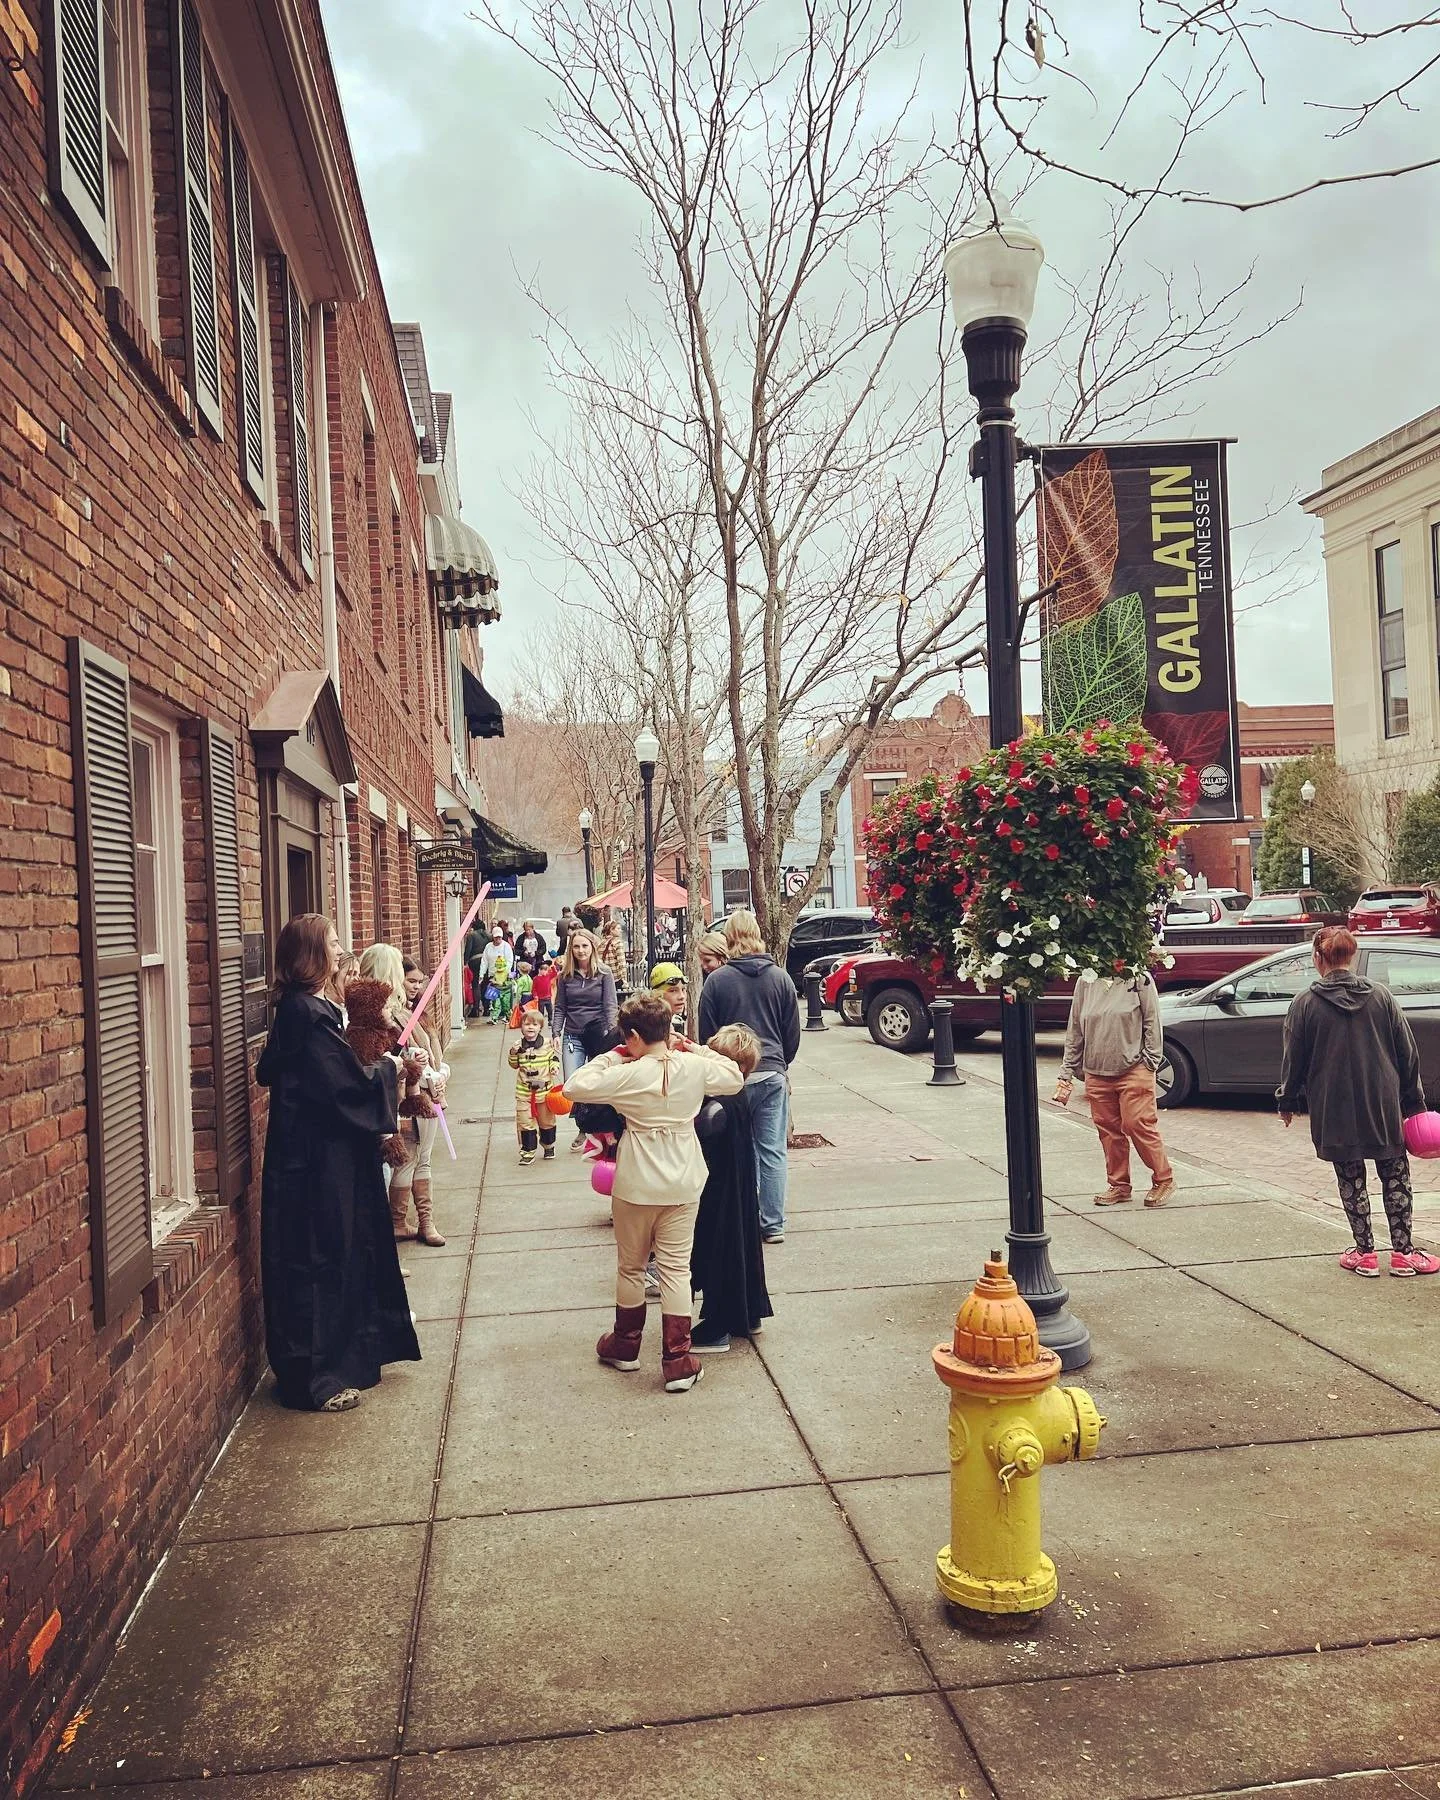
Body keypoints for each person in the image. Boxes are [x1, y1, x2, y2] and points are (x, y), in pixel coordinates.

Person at [256, 914, 421, 1413]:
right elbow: (343, 1087)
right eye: (331, 943)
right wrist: (390, 1069)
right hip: (313, 1167)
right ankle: (315, 1378)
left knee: (342, 1253)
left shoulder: (307, 1010)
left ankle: (346, 1357)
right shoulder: (305, 1014)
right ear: (310, 956)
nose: (340, 950)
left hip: (324, 1159)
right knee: (316, 1260)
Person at [566, 992, 744, 1392]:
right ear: (668, 1029)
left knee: (631, 1265)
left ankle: (626, 1345)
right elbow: (733, 1076)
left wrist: (612, 1057)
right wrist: (693, 1046)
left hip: (636, 1180)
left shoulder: (627, 1072)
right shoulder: (694, 1067)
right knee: (676, 1268)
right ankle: (678, 1359)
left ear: (632, 1035)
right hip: (683, 1178)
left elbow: (577, 1086)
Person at [1277, 925, 1439, 1277]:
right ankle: (1404, 1253)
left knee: (1351, 1178)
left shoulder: (1304, 1004)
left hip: (1332, 1106)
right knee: (1395, 1176)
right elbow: (1406, 1054)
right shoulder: (1381, 997)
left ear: (1318, 958)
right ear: (1352, 956)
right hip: (1382, 1102)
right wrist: (1414, 1103)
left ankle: (1364, 1253)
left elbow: (1294, 1058)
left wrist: (1287, 1099)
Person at [697, 910, 801, 1244]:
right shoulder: (780, 978)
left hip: (732, 1077)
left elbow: (706, 1034)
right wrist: (781, 1064)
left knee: (737, 1151)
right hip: (771, 1072)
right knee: (772, 1151)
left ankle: (742, 1220)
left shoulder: (717, 981)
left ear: (728, 938)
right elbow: (792, 1033)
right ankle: (773, 1223)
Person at [1053, 971, 1174, 1207]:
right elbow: (1076, 1027)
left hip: (1134, 1067)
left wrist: (1150, 1061)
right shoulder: (1085, 981)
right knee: (1108, 1131)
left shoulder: (1139, 978)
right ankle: (1119, 1186)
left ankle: (1164, 1179)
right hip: (1096, 1070)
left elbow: (1152, 1021)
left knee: (1137, 1122)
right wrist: (1067, 1070)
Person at [690, 1024, 773, 1352]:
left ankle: (719, 1323)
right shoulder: (734, 1095)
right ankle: (747, 1311)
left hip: (718, 1189)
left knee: (717, 1246)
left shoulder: (719, 1102)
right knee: (741, 1242)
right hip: (737, 1185)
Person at [387, 956, 449, 1246]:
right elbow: (396, 1061)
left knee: (423, 1159)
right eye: (410, 981)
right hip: (409, 1098)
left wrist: (441, 1072)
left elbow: (434, 1054)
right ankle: (398, 1221)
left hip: (430, 1096)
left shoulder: (417, 1015)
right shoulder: (391, 1018)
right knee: (406, 1161)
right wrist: (423, 1073)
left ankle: (426, 1221)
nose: (416, 986)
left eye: (419, 982)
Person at [553, 927, 619, 1147]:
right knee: (574, 1083)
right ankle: (584, 1125)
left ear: (592, 947)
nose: (581, 951)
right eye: (576, 946)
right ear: (570, 949)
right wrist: (556, 1032)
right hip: (573, 1035)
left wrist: (612, 1034)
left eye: (584, 946)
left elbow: (610, 1005)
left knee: (599, 1081)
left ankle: (594, 1127)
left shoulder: (604, 973)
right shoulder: (565, 976)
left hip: (598, 1033)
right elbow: (560, 1006)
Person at [509, 1009, 563, 1164]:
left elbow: (553, 1058)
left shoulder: (547, 1045)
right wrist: (513, 1053)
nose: (530, 1027)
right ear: (521, 1027)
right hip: (524, 1092)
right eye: (527, 1024)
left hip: (544, 1092)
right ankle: (528, 1151)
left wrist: (554, 1067)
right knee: (525, 1122)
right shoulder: (518, 1046)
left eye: (534, 1024)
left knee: (547, 1122)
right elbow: (514, 1064)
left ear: (540, 1027)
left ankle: (548, 1145)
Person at [650, 961, 688, 1035]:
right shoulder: (650, 1029)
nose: (682, 996)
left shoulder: (670, 1025)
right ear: (656, 994)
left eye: (683, 989)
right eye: (673, 991)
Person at [598, 910, 629, 990]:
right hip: (615, 978)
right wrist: (624, 979)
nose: (620, 930)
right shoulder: (617, 943)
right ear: (611, 930)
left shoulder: (600, 943)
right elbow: (621, 963)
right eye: (618, 928)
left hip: (602, 976)